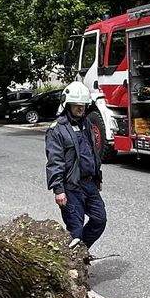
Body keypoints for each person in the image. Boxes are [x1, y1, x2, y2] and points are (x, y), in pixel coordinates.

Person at [45, 81, 105, 252]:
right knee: (75, 232)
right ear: (67, 105)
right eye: (77, 106)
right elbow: (54, 161)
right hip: (71, 187)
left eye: (83, 106)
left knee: (99, 220)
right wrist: (58, 189)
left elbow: (92, 154)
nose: (81, 109)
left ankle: (79, 254)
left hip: (89, 184)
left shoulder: (86, 124)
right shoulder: (57, 130)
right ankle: (73, 266)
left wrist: (97, 177)